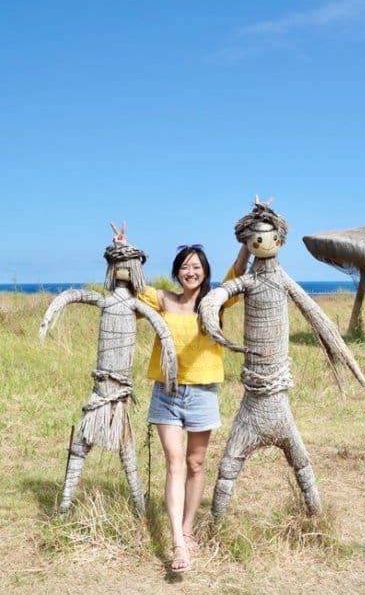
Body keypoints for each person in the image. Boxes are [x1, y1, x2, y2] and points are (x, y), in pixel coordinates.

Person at [111, 221, 249, 574]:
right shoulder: (162, 300)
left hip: (203, 393)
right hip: (167, 394)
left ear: (205, 273)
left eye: (197, 267)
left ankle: (188, 527)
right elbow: (131, 282)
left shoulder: (215, 302)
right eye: (185, 267)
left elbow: (237, 275)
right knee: (174, 463)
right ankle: (177, 542)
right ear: (177, 272)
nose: (191, 271)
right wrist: (123, 248)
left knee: (195, 464)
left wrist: (248, 244)